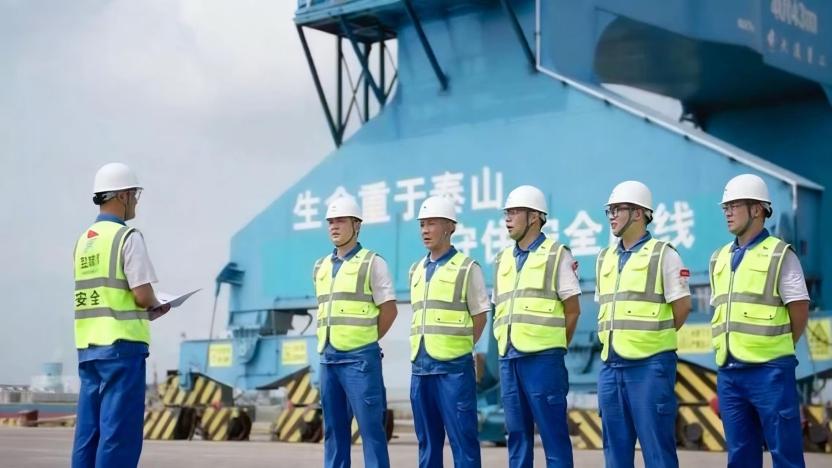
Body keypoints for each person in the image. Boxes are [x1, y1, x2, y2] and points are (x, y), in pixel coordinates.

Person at [72, 162, 171, 468]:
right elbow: (142, 294)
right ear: (123, 195)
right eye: (135, 195)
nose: (136, 202)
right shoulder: (126, 237)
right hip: (122, 350)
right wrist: (157, 304)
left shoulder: (84, 242)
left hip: (88, 350)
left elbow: (105, 296)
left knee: (88, 433)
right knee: (119, 434)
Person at [710, 174, 809, 468]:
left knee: (785, 454)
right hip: (730, 372)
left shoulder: (779, 254)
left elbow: (799, 310)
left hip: (770, 371)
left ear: (757, 209)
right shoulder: (719, 258)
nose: (727, 212)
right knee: (740, 455)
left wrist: (778, 347)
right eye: (725, 207)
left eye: (734, 206)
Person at [594, 180, 692, 468]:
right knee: (615, 453)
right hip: (611, 365)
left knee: (657, 450)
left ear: (638, 213)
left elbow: (682, 307)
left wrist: (651, 340)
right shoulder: (604, 258)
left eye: (617, 209)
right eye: (609, 210)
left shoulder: (664, 255)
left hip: (650, 366)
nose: (611, 216)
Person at [492, 185, 580, 468]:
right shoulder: (502, 260)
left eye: (514, 212)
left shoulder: (556, 254)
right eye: (506, 213)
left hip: (543, 360)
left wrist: (554, 346)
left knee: (553, 435)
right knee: (516, 435)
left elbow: (573, 310)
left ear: (534, 217)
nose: (508, 218)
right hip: (509, 359)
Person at [313, 196, 398, 468]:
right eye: (330, 221)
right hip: (328, 359)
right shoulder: (321, 267)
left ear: (357, 225)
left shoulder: (372, 263)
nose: (334, 226)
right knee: (333, 432)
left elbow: (389, 310)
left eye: (340, 221)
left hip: (360, 361)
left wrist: (366, 341)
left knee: (371, 431)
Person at [408, 196, 489, 467]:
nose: (425, 230)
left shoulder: (467, 268)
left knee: (463, 441)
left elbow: (480, 316)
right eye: (422, 224)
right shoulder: (416, 270)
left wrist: (459, 346)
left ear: (450, 227)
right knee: (427, 444)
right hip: (420, 369)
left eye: (432, 223)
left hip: (454, 370)